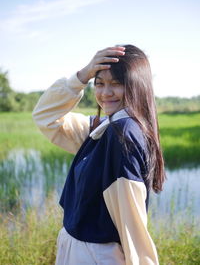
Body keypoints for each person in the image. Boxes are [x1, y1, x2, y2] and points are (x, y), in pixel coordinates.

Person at [33, 44, 165, 265]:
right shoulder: (102, 127)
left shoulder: (123, 134)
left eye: (116, 84)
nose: (105, 93)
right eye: (100, 84)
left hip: (95, 255)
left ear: (136, 85)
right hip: (81, 248)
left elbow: (132, 222)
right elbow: (45, 117)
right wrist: (82, 76)